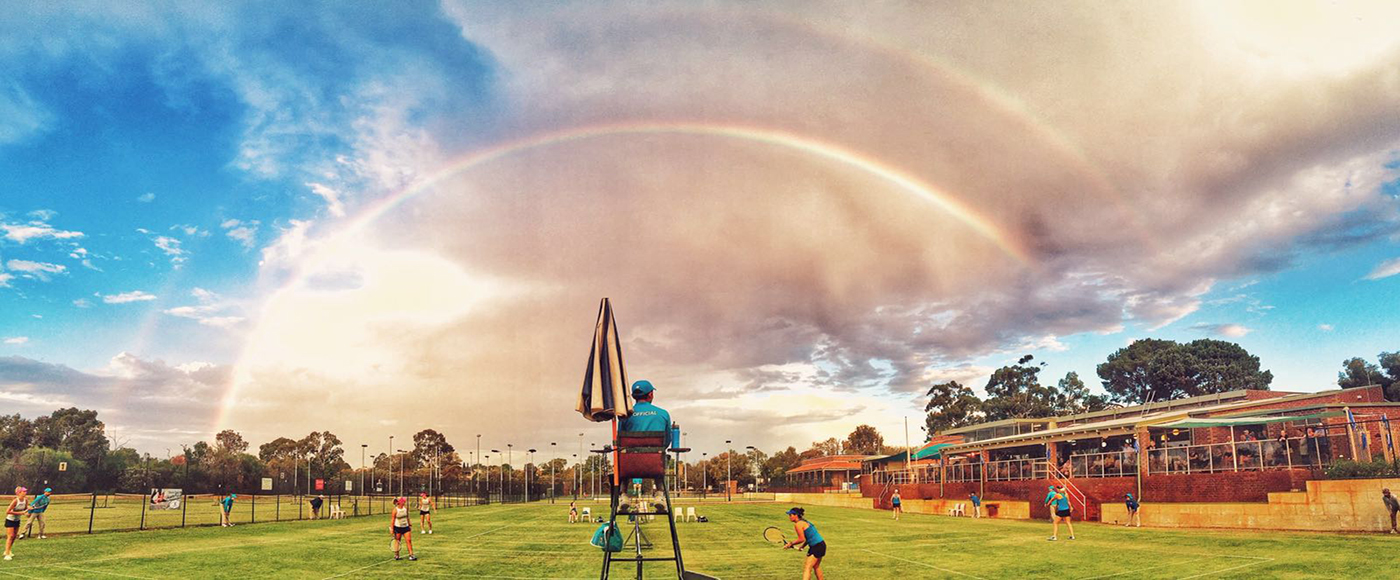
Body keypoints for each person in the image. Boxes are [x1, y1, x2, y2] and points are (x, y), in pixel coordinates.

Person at [622, 380, 672, 447]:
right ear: (650, 394)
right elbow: (667, 441)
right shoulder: (663, 414)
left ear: (633, 396)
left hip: (630, 453)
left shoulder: (625, 415)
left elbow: (622, 440)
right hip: (657, 453)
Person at [782, 507, 825, 580]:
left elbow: (801, 539)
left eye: (790, 515)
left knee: (807, 568)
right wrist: (802, 546)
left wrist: (791, 544)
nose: (789, 517)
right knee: (816, 566)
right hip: (821, 544)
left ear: (796, 515)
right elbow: (809, 537)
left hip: (816, 546)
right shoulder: (805, 522)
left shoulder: (798, 524)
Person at [390, 497, 417, 561]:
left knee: (409, 540)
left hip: (406, 527)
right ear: (400, 502)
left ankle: (411, 555)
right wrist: (392, 529)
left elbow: (407, 517)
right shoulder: (395, 510)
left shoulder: (405, 509)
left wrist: (409, 524)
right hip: (398, 528)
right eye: (403, 501)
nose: (404, 502)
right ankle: (397, 555)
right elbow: (392, 520)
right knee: (397, 541)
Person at [4, 487, 27, 560]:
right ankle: (7, 554)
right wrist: (20, 513)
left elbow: (25, 509)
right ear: (19, 493)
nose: (25, 493)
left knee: (14, 537)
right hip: (10, 520)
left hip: (17, 520)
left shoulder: (25, 500)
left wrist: (28, 512)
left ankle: (8, 550)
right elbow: (7, 511)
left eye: (25, 491)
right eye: (24, 491)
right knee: (10, 536)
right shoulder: (15, 501)